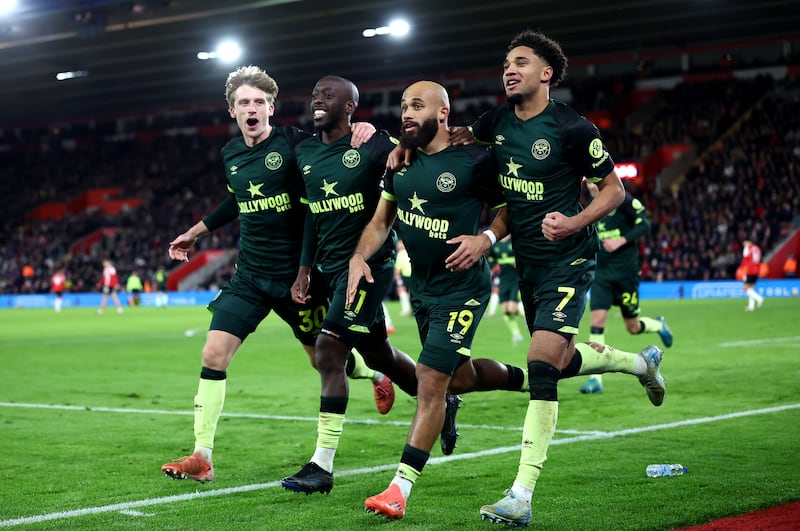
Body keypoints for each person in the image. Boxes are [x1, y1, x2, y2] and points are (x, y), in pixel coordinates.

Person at [438, 30, 667, 526]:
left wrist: (575, 222)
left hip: (570, 259)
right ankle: (639, 364)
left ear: (547, 73)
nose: (509, 69)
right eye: (506, 62)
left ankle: (521, 495)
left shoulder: (573, 129)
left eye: (521, 62)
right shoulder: (494, 123)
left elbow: (614, 190)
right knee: (559, 361)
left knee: (541, 365)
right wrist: (395, 147)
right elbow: (452, 144)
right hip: (529, 263)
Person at [160, 65, 392, 484]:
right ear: (232, 111)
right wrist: (197, 231)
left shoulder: (295, 144)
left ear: (271, 107)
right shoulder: (231, 155)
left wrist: (366, 129)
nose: (251, 109)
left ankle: (373, 373)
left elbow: (336, 143)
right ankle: (202, 456)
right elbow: (237, 200)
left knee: (322, 360)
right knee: (213, 354)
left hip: (297, 280)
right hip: (250, 276)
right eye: (243, 103)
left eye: (259, 102)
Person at [281, 76, 468, 496]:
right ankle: (440, 399)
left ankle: (321, 465)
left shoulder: (372, 145)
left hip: (370, 267)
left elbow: (415, 149)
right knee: (377, 352)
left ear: (350, 107)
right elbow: (311, 212)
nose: (317, 100)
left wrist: (385, 134)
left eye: (328, 95)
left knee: (329, 349)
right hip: (329, 269)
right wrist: (304, 268)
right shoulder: (306, 152)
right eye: (314, 95)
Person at [351, 80, 530, 521]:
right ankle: (530, 379)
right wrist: (358, 257)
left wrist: (486, 238)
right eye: (403, 106)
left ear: (443, 113)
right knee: (459, 378)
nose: (407, 113)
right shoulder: (401, 162)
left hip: (462, 288)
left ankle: (399, 489)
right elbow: (381, 222)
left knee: (430, 379)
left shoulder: (475, 159)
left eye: (417, 106)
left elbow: (512, 206)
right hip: (424, 290)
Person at [579, 182, 673, 395]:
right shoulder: (591, 206)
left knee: (633, 327)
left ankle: (658, 325)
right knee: (597, 322)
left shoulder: (622, 199)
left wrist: (621, 240)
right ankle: (595, 380)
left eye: (593, 180)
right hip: (601, 274)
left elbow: (645, 224)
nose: (591, 185)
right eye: (588, 181)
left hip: (626, 274)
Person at [488, 234, 524, 344]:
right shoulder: (496, 245)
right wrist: (492, 269)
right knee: (506, 311)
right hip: (503, 279)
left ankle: (528, 315)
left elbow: (523, 254)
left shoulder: (514, 242)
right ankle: (516, 334)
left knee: (512, 309)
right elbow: (491, 259)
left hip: (515, 278)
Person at [740, 239, 765, 311]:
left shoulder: (748, 248)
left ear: (749, 242)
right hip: (757, 270)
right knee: (751, 289)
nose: (744, 244)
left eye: (745, 242)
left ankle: (759, 298)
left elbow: (745, 258)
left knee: (746, 288)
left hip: (750, 270)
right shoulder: (757, 248)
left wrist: (741, 267)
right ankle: (751, 306)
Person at [394, 239, 412, 316]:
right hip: (406, 277)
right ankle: (406, 309)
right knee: (402, 292)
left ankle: (413, 310)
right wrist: (399, 282)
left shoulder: (412, 251)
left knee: (411, 294)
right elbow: (397, 269)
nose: (399, 246)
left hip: (414, 276)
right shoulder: (401, 253)